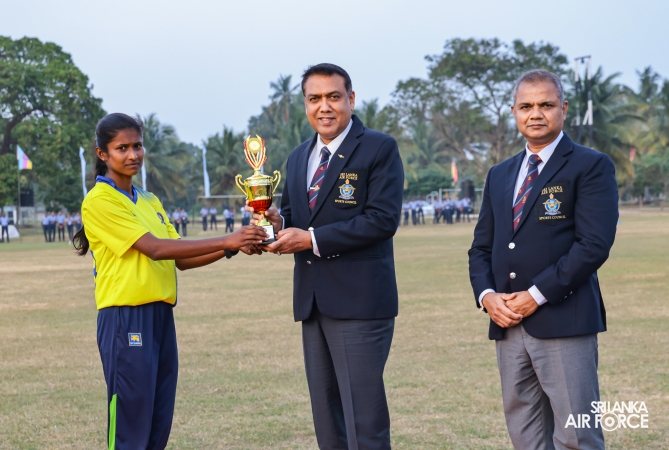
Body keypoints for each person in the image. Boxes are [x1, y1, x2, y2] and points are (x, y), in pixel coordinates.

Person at [73, 113, 267, 450]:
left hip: (161, 317)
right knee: (131, 426)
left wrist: (233, 248)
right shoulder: (100, 200)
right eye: (122, 148)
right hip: (125, 318)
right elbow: (155, 248)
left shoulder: (149, 200)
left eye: (137, 146)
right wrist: (227, 238)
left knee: (157, 422)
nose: (133, 154)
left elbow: (180, 259)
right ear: (102, 153)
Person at [248, 63, 403, 449]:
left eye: (334, 97)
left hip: (360, 303)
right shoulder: (299, 156)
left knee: (364, 422)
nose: (325, 107)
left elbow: (382, 220)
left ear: (351, 99)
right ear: (305, 104)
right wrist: (275, 222)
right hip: (313, 302)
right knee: (327, 420)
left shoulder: (378, 148)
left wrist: (311, 239)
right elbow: (296, 219)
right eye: (314, 98)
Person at [468, 69, 618, 450]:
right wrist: (487, 296)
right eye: (526, 106)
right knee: (526, 436)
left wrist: (536, 295)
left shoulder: (590, 165)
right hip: (508, 325)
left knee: (577, 436)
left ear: (563, 109)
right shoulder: (499, 174)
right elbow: (481, 248)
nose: (535, 113)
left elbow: (593, 245)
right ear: (514, 112)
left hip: (564, 321)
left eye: (546, 105)